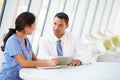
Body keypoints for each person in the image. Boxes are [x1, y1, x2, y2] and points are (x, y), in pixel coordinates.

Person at [0, 12, 60, 80]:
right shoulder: (13, 41)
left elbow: (35, 59)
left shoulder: (26, 39)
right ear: (26, 26)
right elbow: (23, 63)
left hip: (22, 77)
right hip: (10, 78)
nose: (35, 27)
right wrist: (47, 64)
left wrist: (52, 61)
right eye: (34, 24)